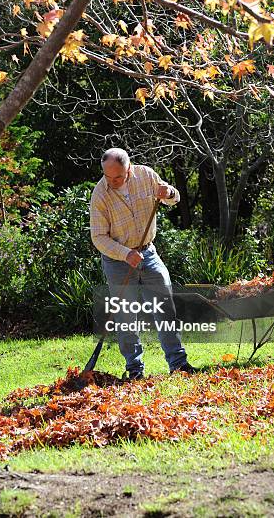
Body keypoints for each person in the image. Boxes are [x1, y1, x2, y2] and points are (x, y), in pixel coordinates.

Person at [90, 147, 196, 379]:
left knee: (164, 307)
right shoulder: (100, 194)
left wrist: (168, 193)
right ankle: (134, 369)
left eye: (118, 176)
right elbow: (98, 237)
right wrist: (125, 253)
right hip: (118, 261)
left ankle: (178, 364)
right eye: (109, 177)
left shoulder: (146, 175)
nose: (113, 181)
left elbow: (173, 198)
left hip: (148, 254)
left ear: (129, 168)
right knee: (126, 315)